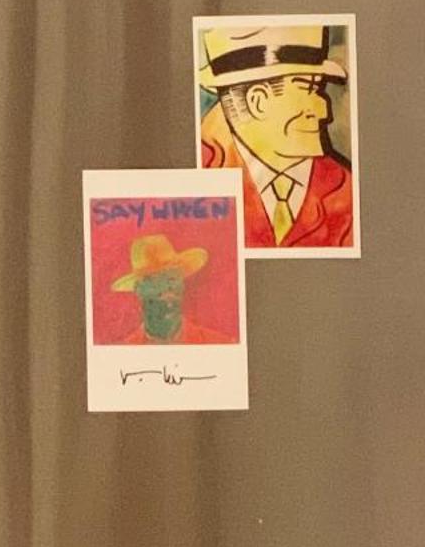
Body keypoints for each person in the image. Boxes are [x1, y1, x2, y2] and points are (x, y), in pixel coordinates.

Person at [198, 23, 354, 248]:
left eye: (318, 89)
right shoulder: (195, 175)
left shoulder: (344, 190)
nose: (323, 110)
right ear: (258, 101)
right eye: (306, 89)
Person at [111, 233, 233, 345]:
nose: (167, 289)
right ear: (139, 290)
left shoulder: (219, 343)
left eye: (172, 278)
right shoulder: (122, 351)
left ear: (182, 284)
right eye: (155, 281)